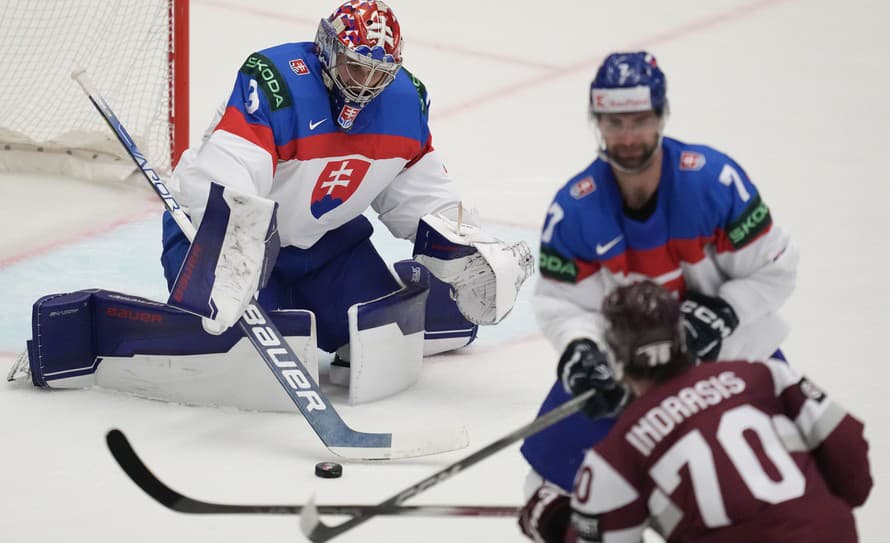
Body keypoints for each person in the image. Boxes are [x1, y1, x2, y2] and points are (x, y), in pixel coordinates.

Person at [9, 1, 533, 407]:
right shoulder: (277, 82)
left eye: (379, 73)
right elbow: (228, 177)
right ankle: (90, 334)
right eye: (355, 69)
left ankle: (411, 305)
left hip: (329, 248)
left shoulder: (404, 102)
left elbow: (421, 198)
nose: (365, 86)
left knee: (380, 346)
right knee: (252, 366)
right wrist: (233, 258)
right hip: (228, 240)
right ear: (328, 51)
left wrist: (466, 249)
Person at [520, 50, 800, 495]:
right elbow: (563, 304)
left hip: (731, 354)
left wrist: (726, 311)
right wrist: (581, 349)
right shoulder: (574, 210)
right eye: (614, 123)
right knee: (549, 480)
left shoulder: (713, 183)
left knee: (774, 483)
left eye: (639, 120)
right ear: (597, 123)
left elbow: (776, 268)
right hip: (628, 369)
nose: (627, 136)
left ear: (661, 116)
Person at [518, 280, 872, 542]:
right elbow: (853, 461)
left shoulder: (618, 451)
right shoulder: (764, 375)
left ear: (615, 359)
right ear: (683, 338)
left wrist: (557, 522)